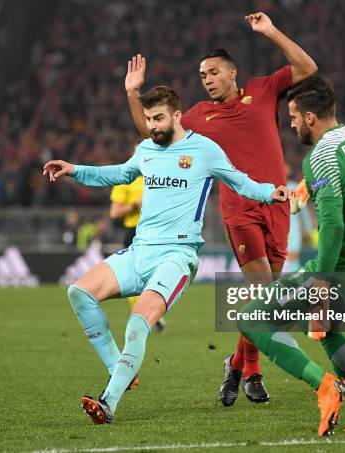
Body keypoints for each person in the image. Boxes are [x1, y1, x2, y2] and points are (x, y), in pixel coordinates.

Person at [43, 86, 291, 424]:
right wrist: (74, 169)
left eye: (158, 118)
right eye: (148, 119)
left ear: (176, 116)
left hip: (177, 256)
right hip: (140, 251)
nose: (152, 125)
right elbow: (117, 174)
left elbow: (240, 182)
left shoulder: (204, 149)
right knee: (79, 293)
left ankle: (108, 402)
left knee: (138, 322)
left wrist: (269, 192)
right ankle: (122, 370)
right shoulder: (146, 148)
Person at [124, 11, 317, 405]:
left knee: (265, 302)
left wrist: (270, 31)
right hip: (238, 208)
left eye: (212, 72)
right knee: (264, 293)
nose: (206, 79)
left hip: (276, 205)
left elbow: (307, 67)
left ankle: (236, 363)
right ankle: (256, 373)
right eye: (202, 75)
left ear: (232, 73)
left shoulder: (263, 90)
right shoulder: (196, 116)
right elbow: (151, 131)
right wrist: (133, 93)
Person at [237, 76, 345, 436]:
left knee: (253, 319)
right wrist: (315, 187)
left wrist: (321, 285)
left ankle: (326, 388)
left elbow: (334, 227)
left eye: (292, 117)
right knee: (332, 331)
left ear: (309, 117)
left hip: (342, 272)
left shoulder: (319, 156)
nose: (290, 125)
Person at [109, 176, 167, 332]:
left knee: (156, 274)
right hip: (134, 232)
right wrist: (135, 205)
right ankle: (144, 314)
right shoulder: (125, 180)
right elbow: (114, 212)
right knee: (136, 277)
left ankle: (148, 313)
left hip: (156, 230)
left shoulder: (159, 175)